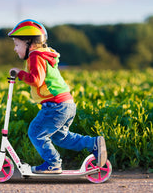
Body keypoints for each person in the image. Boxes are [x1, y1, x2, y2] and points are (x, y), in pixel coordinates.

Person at [8, 19, 107, 174]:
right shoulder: (43, 55)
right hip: (66, 104)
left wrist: (19, 73)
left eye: (17, 44)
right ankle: (94, 143)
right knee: (61, 138)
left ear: (29, 42)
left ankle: (53, 163)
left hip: (55, 106)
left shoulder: (35, 56)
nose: (15, 49)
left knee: (36, 132)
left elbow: (36, 80)